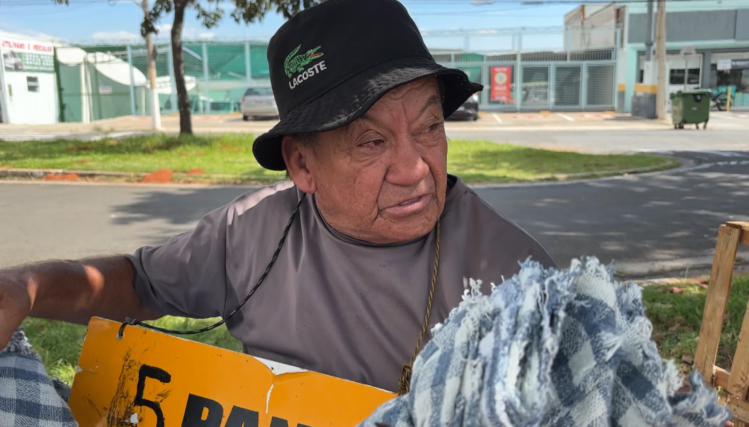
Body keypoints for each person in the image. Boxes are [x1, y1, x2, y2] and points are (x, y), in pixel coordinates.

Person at [0, 0, 554, 393]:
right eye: (371, 141)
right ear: (302, 164)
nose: (415, 169)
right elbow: (139, 284)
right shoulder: (250, 232)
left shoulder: (515, 277)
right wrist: (27, 287)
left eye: (430, 128)